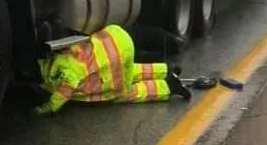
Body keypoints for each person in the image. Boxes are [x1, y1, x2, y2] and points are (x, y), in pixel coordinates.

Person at [36, 24, 190, 115]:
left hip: (116, 53)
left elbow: (68, 84)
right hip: (116, 40)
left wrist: (50, 107)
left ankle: (168, 86)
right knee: (124, 71)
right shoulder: (61, 56)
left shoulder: (61, 70)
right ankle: (167, 70)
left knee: (125, 92)